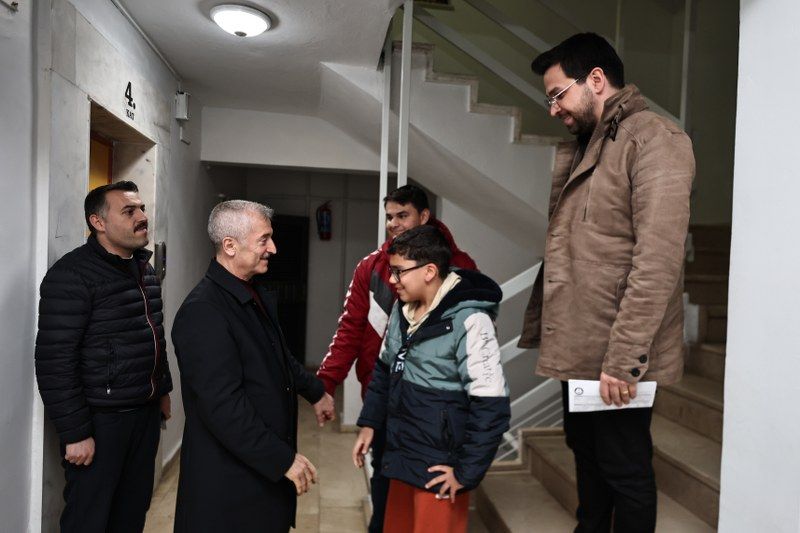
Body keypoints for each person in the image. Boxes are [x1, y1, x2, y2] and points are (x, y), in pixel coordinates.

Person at [519, 33, 695, 532]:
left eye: (558, 94)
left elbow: (657, 261)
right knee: (585, 454)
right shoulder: (590, 144)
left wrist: (624, 359)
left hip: (618, 354)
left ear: (595, 80)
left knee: (624, 468)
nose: (553, 108)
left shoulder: (656, 139)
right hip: (581, 342)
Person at [317, 184, 476, 532]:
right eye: (389, 217)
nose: (393, 224)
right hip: (385, 401)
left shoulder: (461, 268)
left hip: (438, 412)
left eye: (402, 215)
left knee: (430, 500)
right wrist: (325, 384)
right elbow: (349, 329)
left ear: (424, 216)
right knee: (386, 488)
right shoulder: (372, 268)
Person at [171, 200, 335, 533]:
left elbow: (277, 356)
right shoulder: (203, 311)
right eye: (264, 239)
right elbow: (224, 407)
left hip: (255, 471)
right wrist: (282, 458)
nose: (273, 248)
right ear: (230, 245)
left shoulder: (251, 292)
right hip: (229, 486)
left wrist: (315, 391)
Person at [34, 181, 172, 533]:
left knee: (131, 513)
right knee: (89, 519)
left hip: (143, 414)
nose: (142, 217)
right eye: (129, 211)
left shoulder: (144, 269)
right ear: (98, 222)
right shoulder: (72, 275)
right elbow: (54, 361)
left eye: (141, 208)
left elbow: (152, 333)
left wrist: (161, 389)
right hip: (100, 421)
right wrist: (76, 432)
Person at [352, 225, 510, 533]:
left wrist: (464, 473)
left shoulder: (472, 321)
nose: (392, 280)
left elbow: (492, 408)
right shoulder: (400, 308)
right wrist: (370, 423)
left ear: (429, 271)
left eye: (399, 272)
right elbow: (384, 370)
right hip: (401, 455)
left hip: (440, 469)